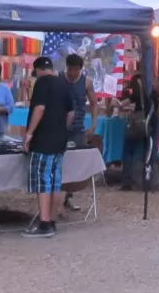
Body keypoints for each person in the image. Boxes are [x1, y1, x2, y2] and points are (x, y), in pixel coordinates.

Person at [22, 56, 75, 239]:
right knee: (55, 182)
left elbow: (39, 108)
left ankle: (44, 224)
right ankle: (52, 220)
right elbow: (71, 113)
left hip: (43, 140)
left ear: (38, 70)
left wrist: (29, 134)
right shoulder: (63, 83)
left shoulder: (42, 83)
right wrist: (62, 129)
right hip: (60, 141)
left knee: (42, 180)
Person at [61, 53, 98, 211]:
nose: (73, 72)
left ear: (80, 69)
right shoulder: (59, 79)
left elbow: (94, 104)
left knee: (74, 164)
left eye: (76, 70)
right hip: (60, 127)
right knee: (60, 162)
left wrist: (93, 124)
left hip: (78, 128)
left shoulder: (86, 82)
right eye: (70, 69)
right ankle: (56, 195)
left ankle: (68, 197)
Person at [120, 73, 148, 191]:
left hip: (134, 127)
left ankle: (127, 180)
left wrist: (118, 104)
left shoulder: (135, 94)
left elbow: (122, 104)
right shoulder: (149, 92)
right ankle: (141, 180)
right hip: (145, 125)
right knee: (142, 152)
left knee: (128, 152)